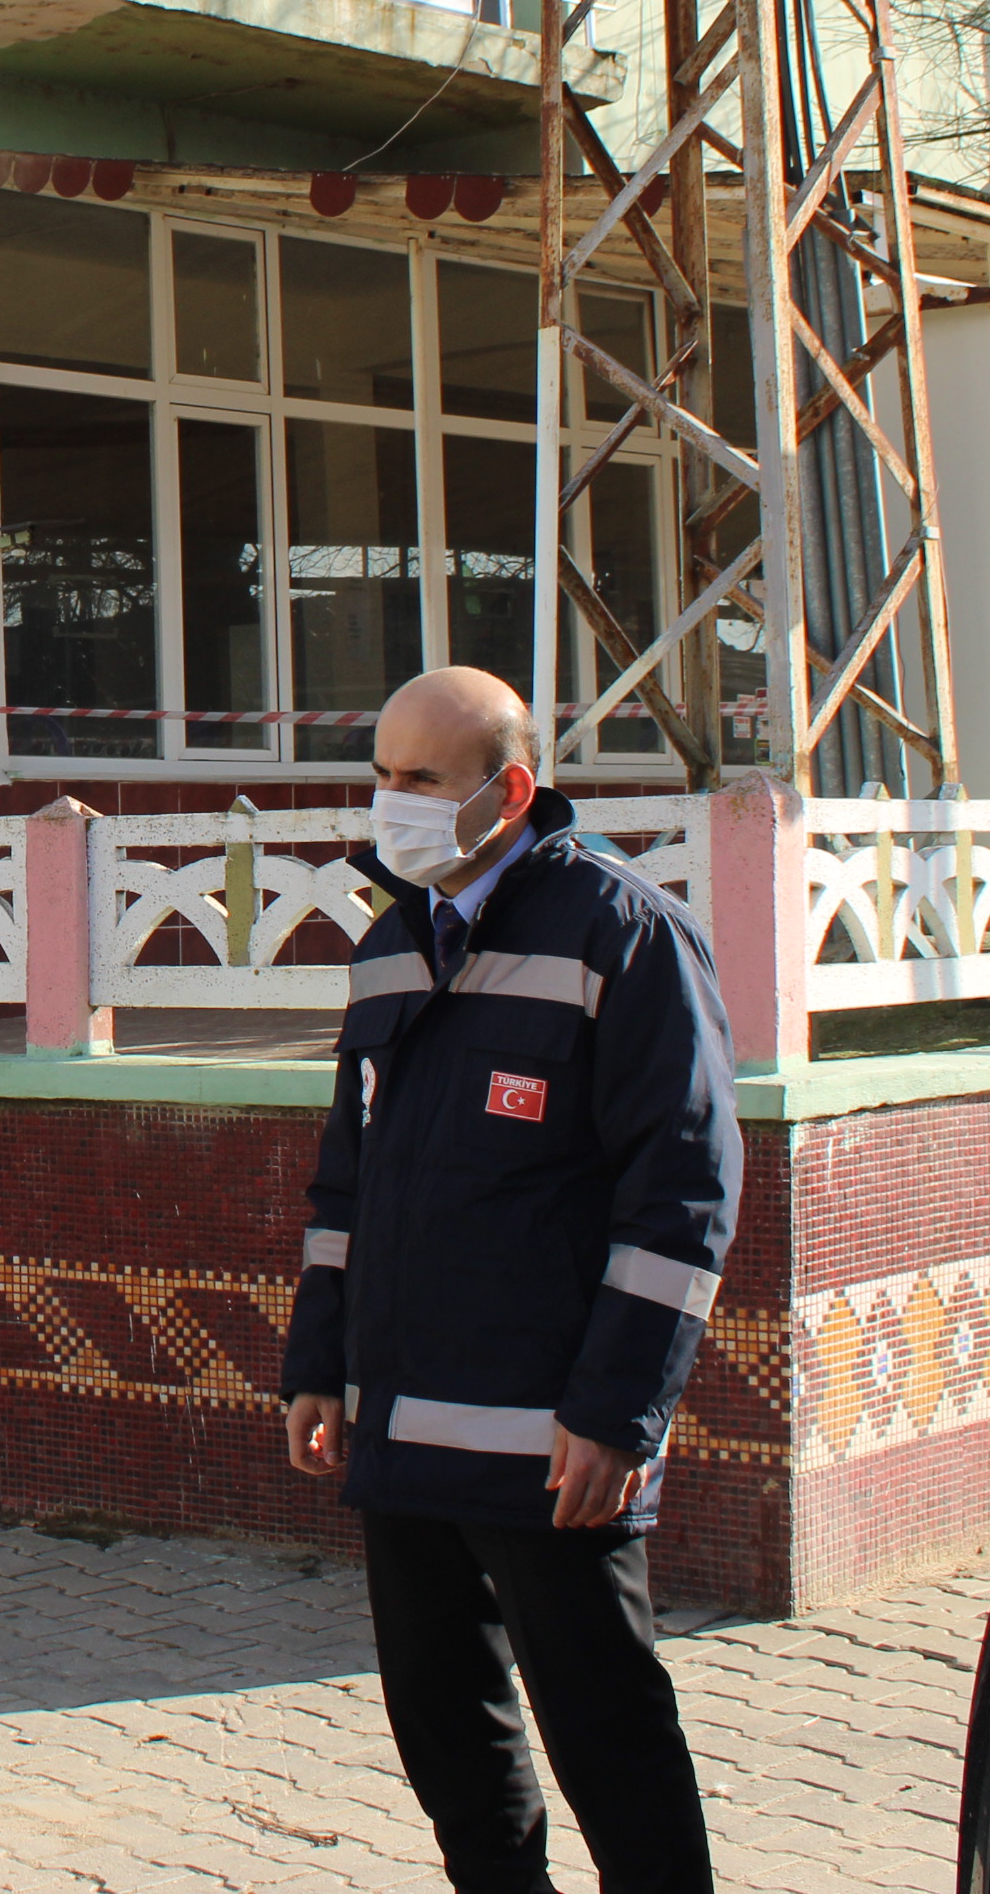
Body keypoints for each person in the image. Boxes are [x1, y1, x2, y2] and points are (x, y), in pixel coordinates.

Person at [280, 666, 740, 1894]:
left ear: (510, 789)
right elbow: (346, 1188)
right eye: (380, 775)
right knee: (448, 1732)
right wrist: (318, 1362)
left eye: (420, 780)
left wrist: (616, 1411)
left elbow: (683, 1194)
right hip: (402, 1428)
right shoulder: (388, 948)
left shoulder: (624, 935)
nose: (391, 803)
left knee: (608, 1735)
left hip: (552, 1442)